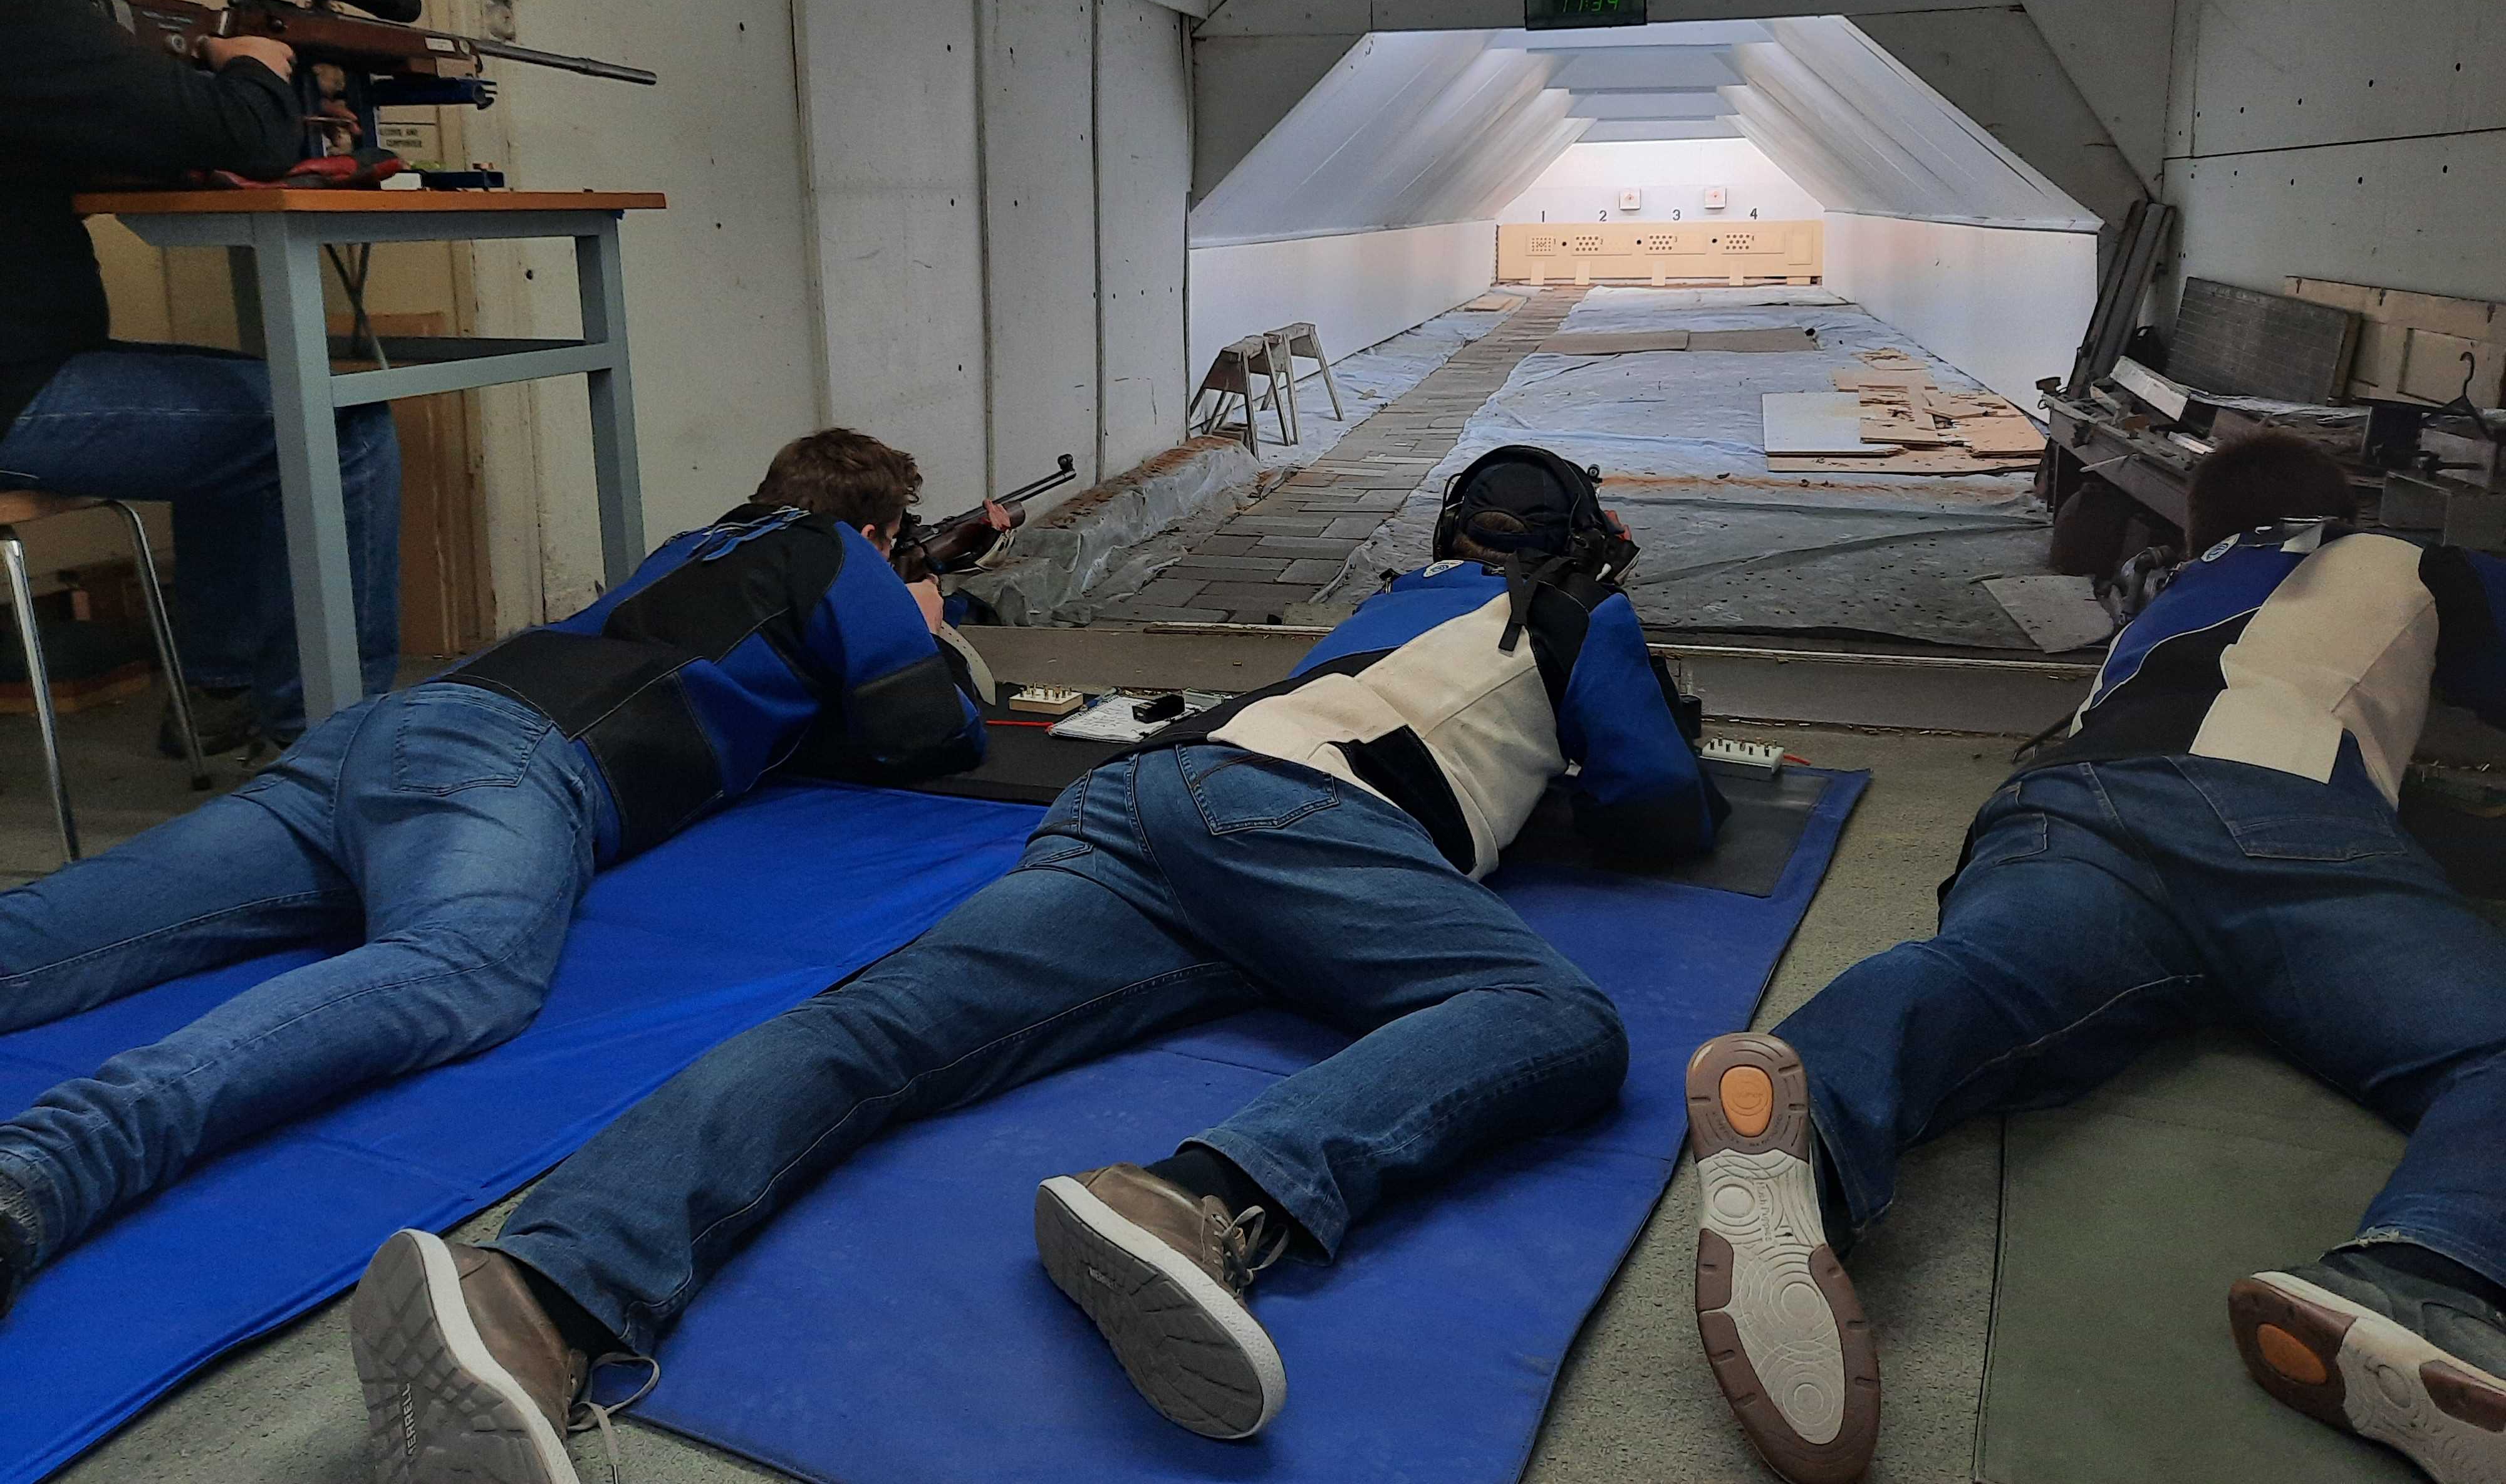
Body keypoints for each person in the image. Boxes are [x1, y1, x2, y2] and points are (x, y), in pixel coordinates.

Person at [343, 445, 1729, 1478]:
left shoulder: (1394, 602)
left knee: (875, 1031)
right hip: (1299, 828)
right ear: (1583, 546)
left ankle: (538, 1290)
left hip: (1147, 799)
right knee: (1553, 1015)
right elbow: (1660, 811)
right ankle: (1199, 1198)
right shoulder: (1573, 613)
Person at [0, 427, 982, 1322]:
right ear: (874, 532)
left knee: (55, 933)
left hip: (388, 730)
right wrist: (924, 624)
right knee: (466, 969)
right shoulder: (838, 551)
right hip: (512, 758)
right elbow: (926, 733)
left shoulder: (694, 544)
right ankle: (45, 1167)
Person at [1683, 431, 2506, 1484]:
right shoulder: (2414, 562)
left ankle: (1815, 1112)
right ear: (2341, 510)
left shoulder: (2176, 583)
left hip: (2068, 801)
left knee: (1985, 972)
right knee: (2487, 1054)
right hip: (2287, 809)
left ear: (2206, 531)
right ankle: (2424, 1276)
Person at [0, 0, 401, 751]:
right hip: (18, 392)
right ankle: (329, 742)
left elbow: (124, 138)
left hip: (24, 376)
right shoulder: (22, 4)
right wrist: (255, 71)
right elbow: (244, 139)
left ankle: (225, 689)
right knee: (333, 423)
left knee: (245, 409)